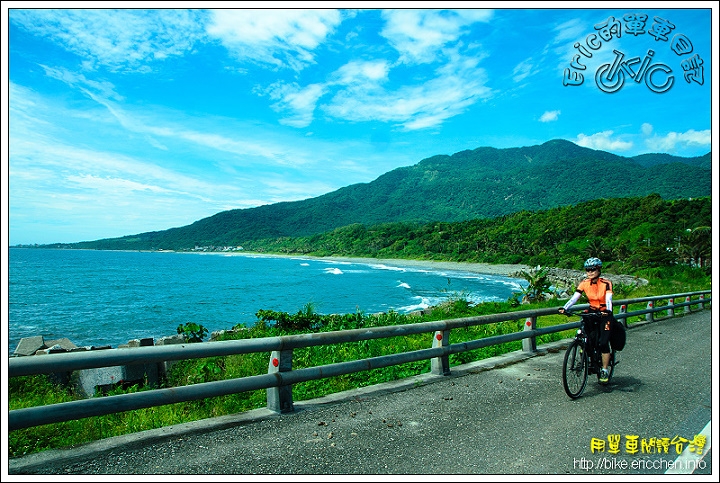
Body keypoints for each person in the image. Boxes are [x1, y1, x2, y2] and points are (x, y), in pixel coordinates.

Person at [558, 257, 619, 383]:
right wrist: (565, 308)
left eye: (593, 269)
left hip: (604, 313)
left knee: (603, 342)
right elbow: (575, 298)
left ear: (598, 269)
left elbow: (609, 299)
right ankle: (589, 357)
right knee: (588, 338)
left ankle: (605, 369)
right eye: (587, 270)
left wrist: (607, 310)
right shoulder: (584, 283)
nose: (590, 272)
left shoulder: (606, 283)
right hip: (592, 311)